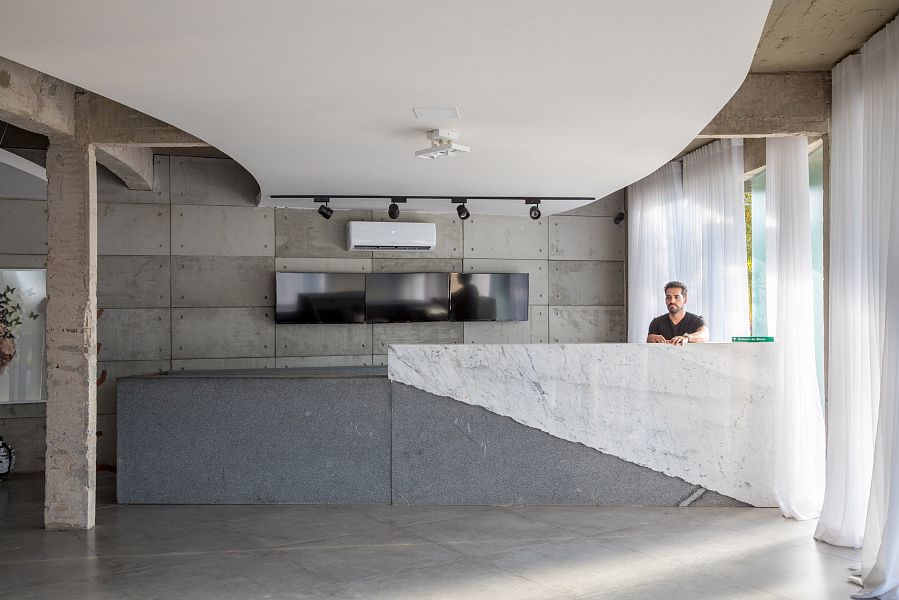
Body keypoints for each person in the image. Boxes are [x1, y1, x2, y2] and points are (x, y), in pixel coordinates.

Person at [646, 281, 709, 345]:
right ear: (665, 300)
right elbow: (649, 339)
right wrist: (652, 338)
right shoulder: (656, 322)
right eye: (668, 297)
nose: (672, 301)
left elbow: (705, 334)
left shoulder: (696, 320)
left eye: (676, 297)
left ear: (685, 300)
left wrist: (686, 337)